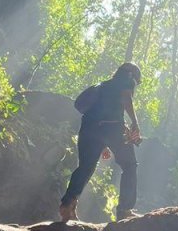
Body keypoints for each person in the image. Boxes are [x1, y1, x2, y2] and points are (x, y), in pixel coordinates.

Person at [59, 63, 143, 222]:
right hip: (111, 128)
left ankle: (67, 205)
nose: (134, 87)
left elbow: (100, 116)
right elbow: (126, 99)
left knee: (85, 167)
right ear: (132, 75)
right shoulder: (127, 79)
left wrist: (103, 144)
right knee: (130, 165)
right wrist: (135, 123)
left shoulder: (104, 86)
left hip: (88, 129)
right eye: (136, 83)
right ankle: (125, 210)